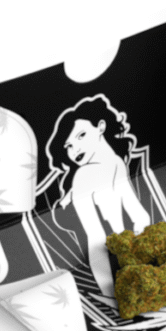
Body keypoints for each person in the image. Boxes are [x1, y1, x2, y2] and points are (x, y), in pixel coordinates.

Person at [45, 94, 150, 297]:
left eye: (81, 135)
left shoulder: (116, 163)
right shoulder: (84, 175)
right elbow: (95, 239)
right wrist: (109, 294)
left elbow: (137, 213)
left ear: (100, 126)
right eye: (68, 146)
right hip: (87, 252)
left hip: (116, 259)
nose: (75, 149)